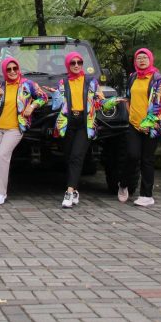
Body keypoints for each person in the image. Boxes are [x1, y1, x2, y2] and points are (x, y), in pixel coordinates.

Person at [49, 52, 111, 209]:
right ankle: (75, 190)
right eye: (73, 63)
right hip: (68, 123)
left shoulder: (91, 82)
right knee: (69, 157)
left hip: (85, 123)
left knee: (77, 156)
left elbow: (100, 104)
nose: (76, 65)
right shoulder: (63, 82)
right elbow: (56, 106)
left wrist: (104, 100)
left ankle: (69, 193)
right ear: (68, 65)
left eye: (79, 62)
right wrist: (55, 94)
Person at [0, 56, 48, 205]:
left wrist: (32, 106)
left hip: (15, 128)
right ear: (4, 71)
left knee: (2, 155)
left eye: (15, 68)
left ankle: (1, 192)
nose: (12, 71)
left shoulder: (28, 85)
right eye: (9, 69)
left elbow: (44, 97)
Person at [116, 48, 161, 208]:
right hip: (134, 125)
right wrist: (132, 116)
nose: (141, 60)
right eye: (138, 57)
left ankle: (146, 195)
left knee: (147, 159)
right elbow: (128, 98)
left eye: (144, 57)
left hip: (151, 126)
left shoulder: (158, 80)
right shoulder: (133, 77)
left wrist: (149, 124)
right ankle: (124, 183)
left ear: (150, 59)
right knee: (132, 156)